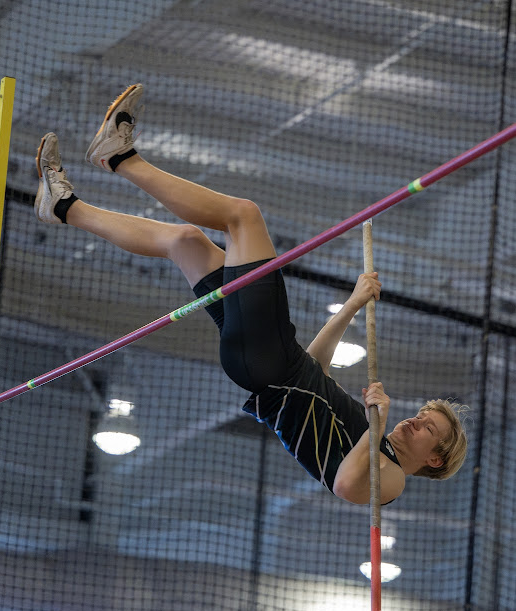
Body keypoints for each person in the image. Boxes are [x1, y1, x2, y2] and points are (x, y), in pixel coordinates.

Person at [34, 84, 467, 505]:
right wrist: (352, 305)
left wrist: (379, 421)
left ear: (435, 459)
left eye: (428, 428)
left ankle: (119, 158)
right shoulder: (372, 436)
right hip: (274, 361)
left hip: (270, 365)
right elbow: (314, 369)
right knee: (185, 241)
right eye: (422, 416)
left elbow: (345, 486)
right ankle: (64, 207)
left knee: (243, 216)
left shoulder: (392, 478)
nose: (416, 421)